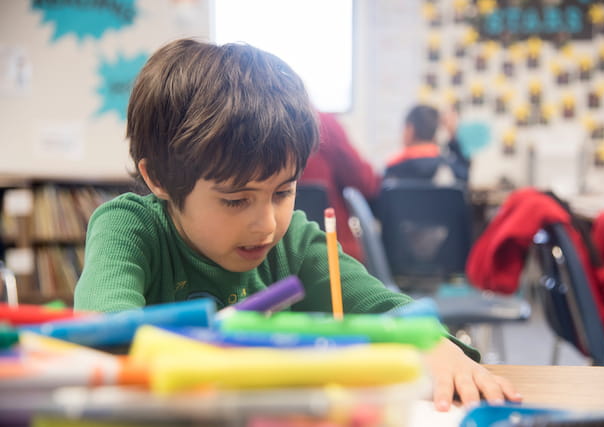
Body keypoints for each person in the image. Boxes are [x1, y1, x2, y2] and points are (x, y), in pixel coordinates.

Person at [74, 38, 520, 411]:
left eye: (283, 192)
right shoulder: (128, 229)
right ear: (158, 179)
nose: (267, 224)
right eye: (235, 200)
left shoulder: (297, 242)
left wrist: (435, 343)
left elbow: (390, 309)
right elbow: (105, 332)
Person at [299, 112, 380, 263]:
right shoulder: (322, 123)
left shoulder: (255, 124)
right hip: (334, 253)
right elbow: (364, 182)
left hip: (270, 259)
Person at [384, 104, 470, 185]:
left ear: (410, 130)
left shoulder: (393, 170)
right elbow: (466, 177)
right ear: (436, 133)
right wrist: (452, 136)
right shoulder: (451, 168)